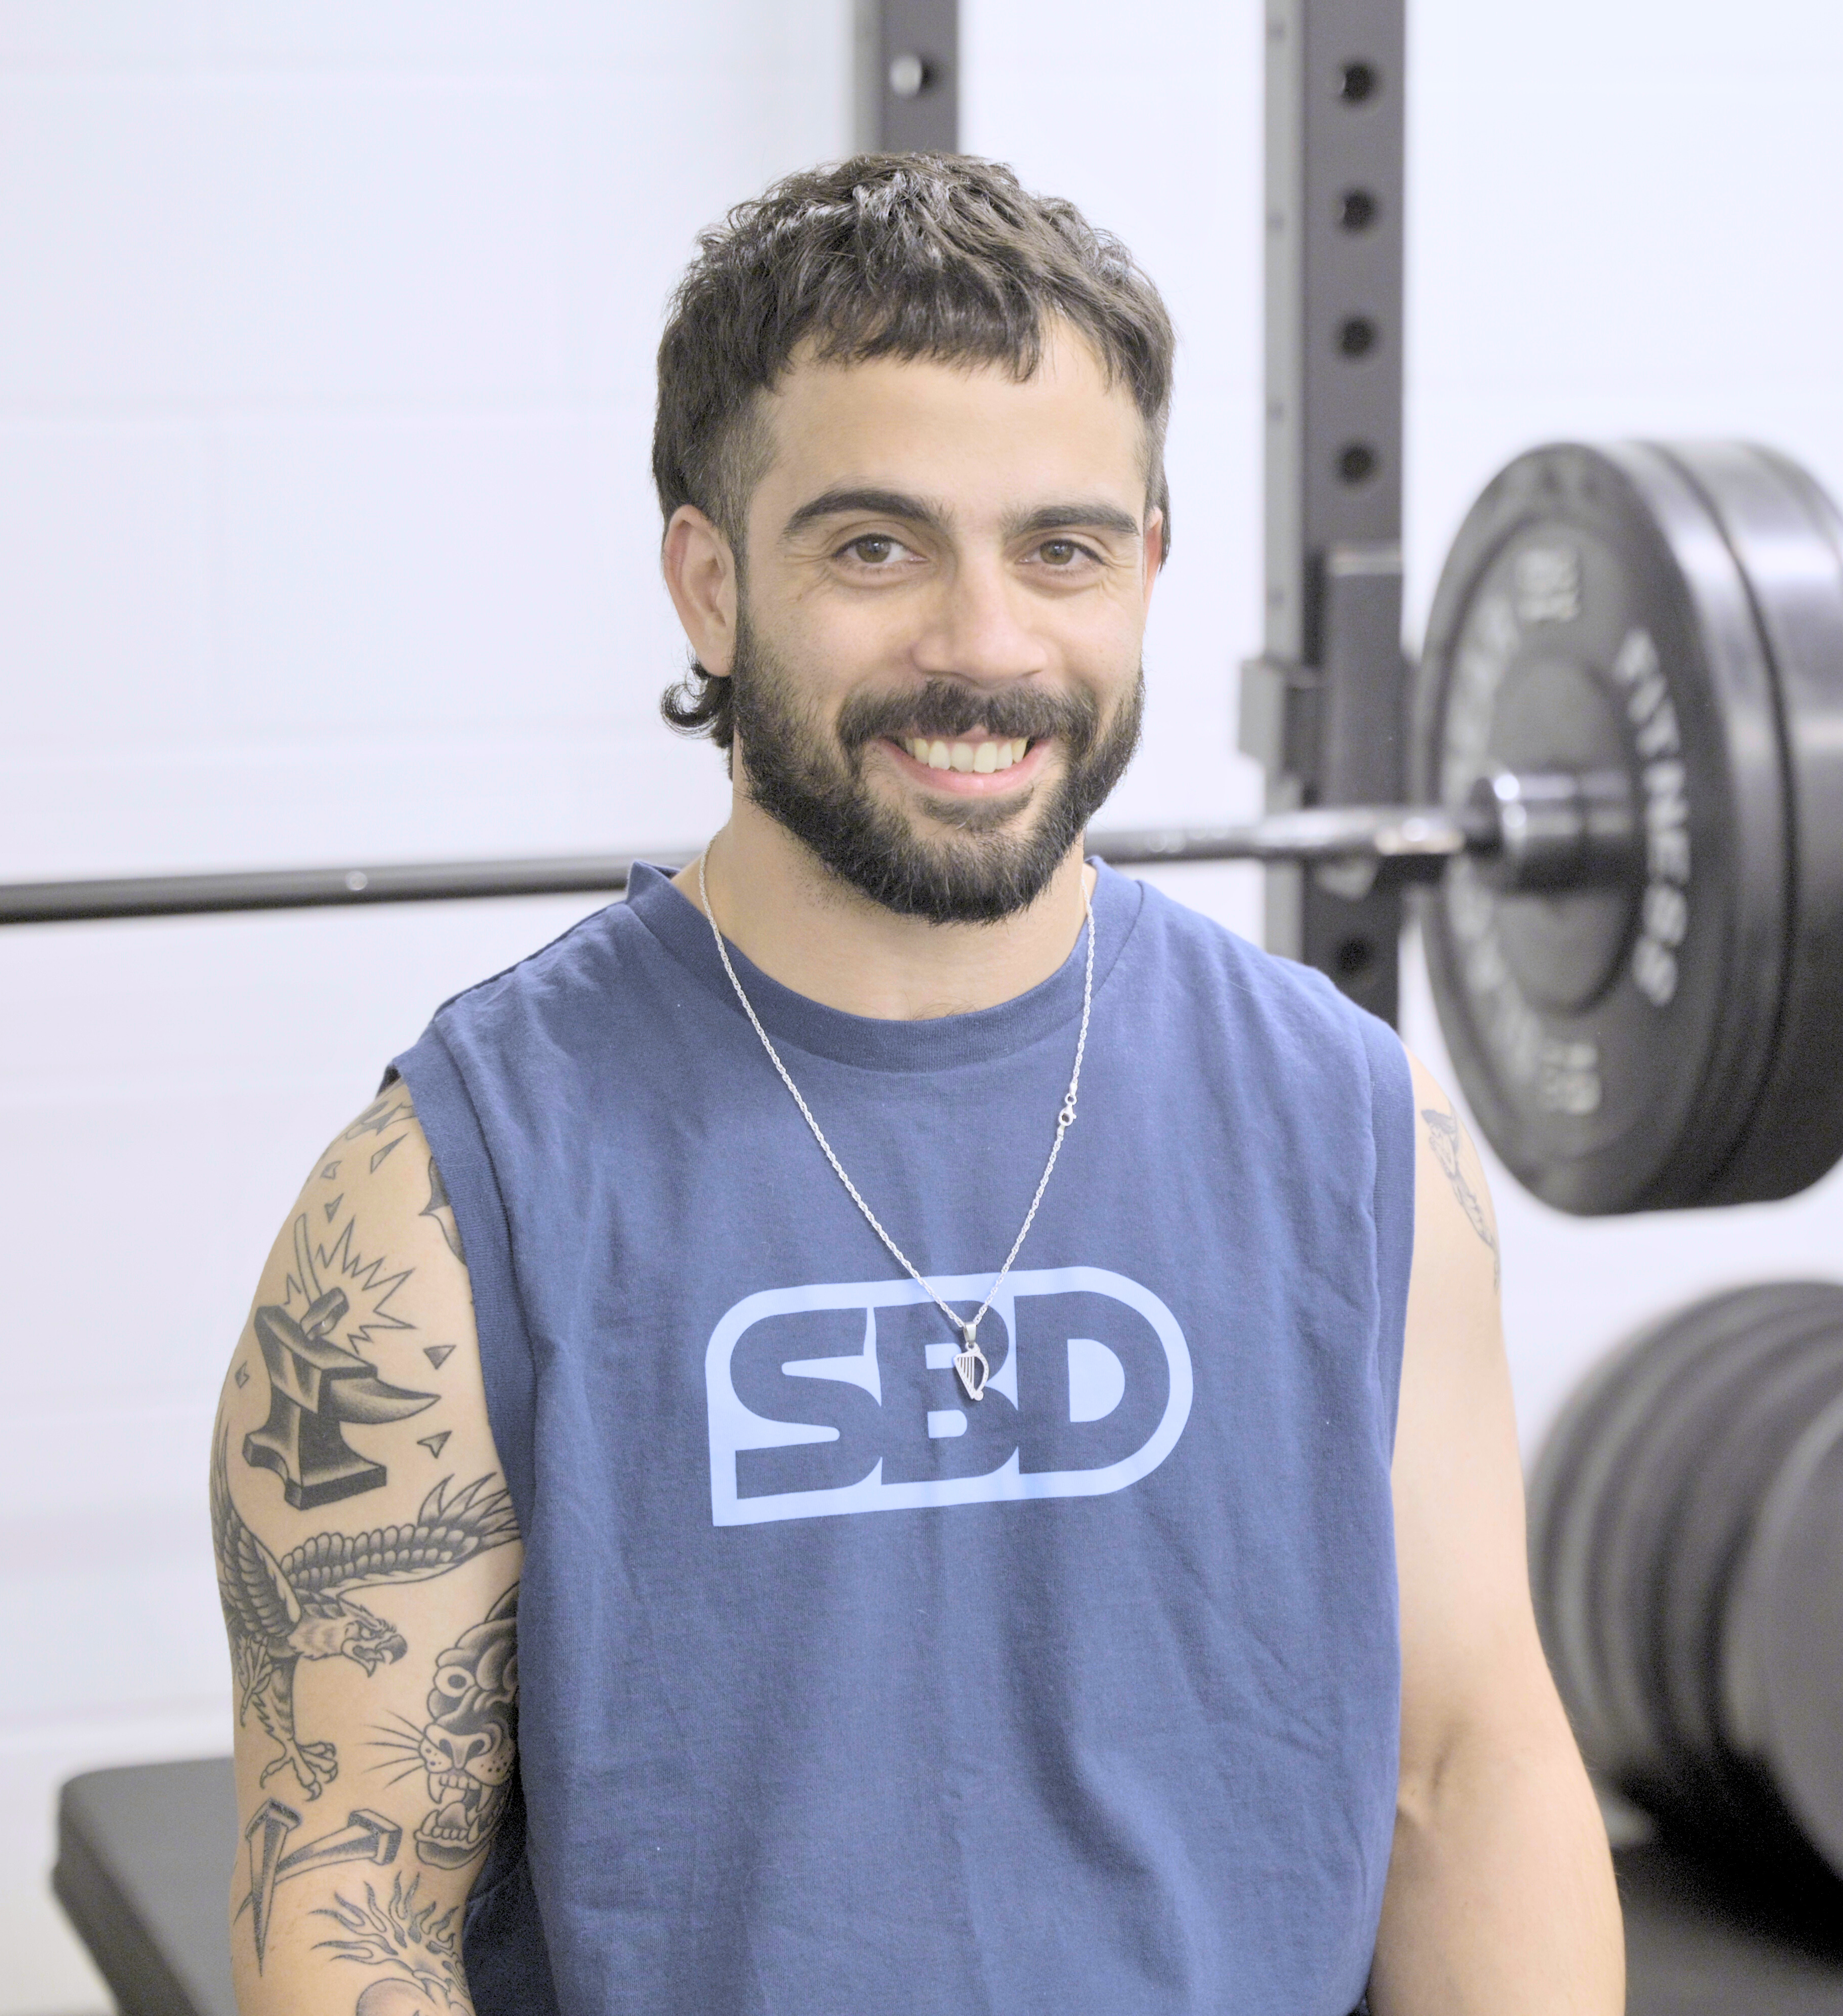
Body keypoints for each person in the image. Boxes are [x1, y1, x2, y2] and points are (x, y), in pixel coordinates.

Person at [211, 152, 1622, 2016]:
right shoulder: (446, 1200)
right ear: (710, 584)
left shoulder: (1363, 1135)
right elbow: (353, 1897)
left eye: (1063, 550)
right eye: (877, 548)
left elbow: (1467, 1772)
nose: (987, 646)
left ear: (1147, 570)